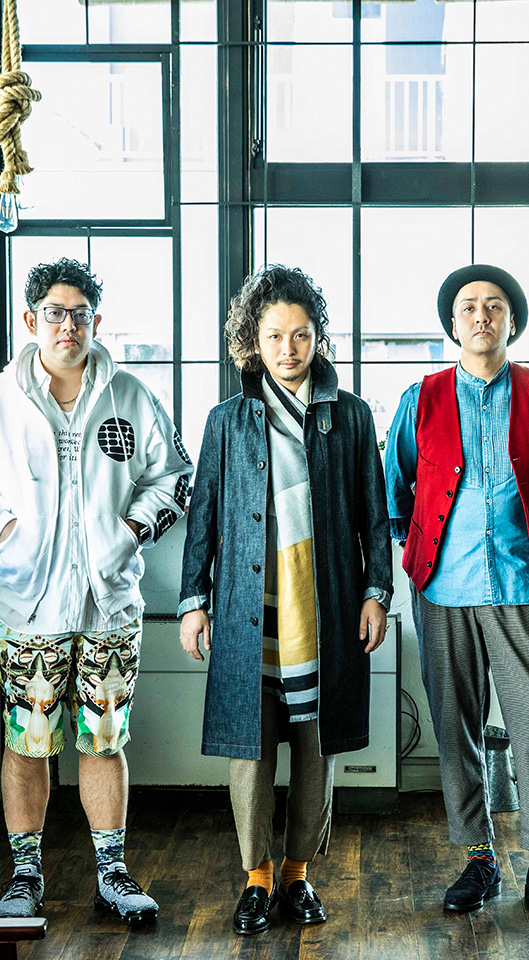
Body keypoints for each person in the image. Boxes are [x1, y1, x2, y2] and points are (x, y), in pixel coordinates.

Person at [0, 258, 192, 923]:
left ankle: (113, 873)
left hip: (110, 604)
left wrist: (130, 532)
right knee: (28, 741)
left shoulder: (130, 396)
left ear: (96, 322)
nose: (68, 326)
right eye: (55, 313)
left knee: (105, 739)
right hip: (28, 605)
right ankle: (26, 875)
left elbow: (174, 475)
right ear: (31, 320)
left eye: (80, 314)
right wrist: (5, 527)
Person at [385, 264, 529, 917]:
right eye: (468, 307)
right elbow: (394, 487)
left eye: (494, 306)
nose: (481, 316)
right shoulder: (420, 398)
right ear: (453, 324)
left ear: (512, 321)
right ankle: (479, 859)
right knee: (456, 726)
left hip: (521, 582)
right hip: (442, 587)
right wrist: (417, 547)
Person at [177, 265, 393, 935]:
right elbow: (204, 515)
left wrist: (377, 593)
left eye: (301, 335)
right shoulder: (227, 420)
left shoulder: (350, 415)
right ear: (253, 340)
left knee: (316, 745)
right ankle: (257, 878)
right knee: (250, 748)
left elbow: (374, 515)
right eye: (274, 335)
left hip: (323, 605)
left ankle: (298, 875)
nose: (288, 349)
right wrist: (193, 600)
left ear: (317, 337)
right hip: (249, 604)